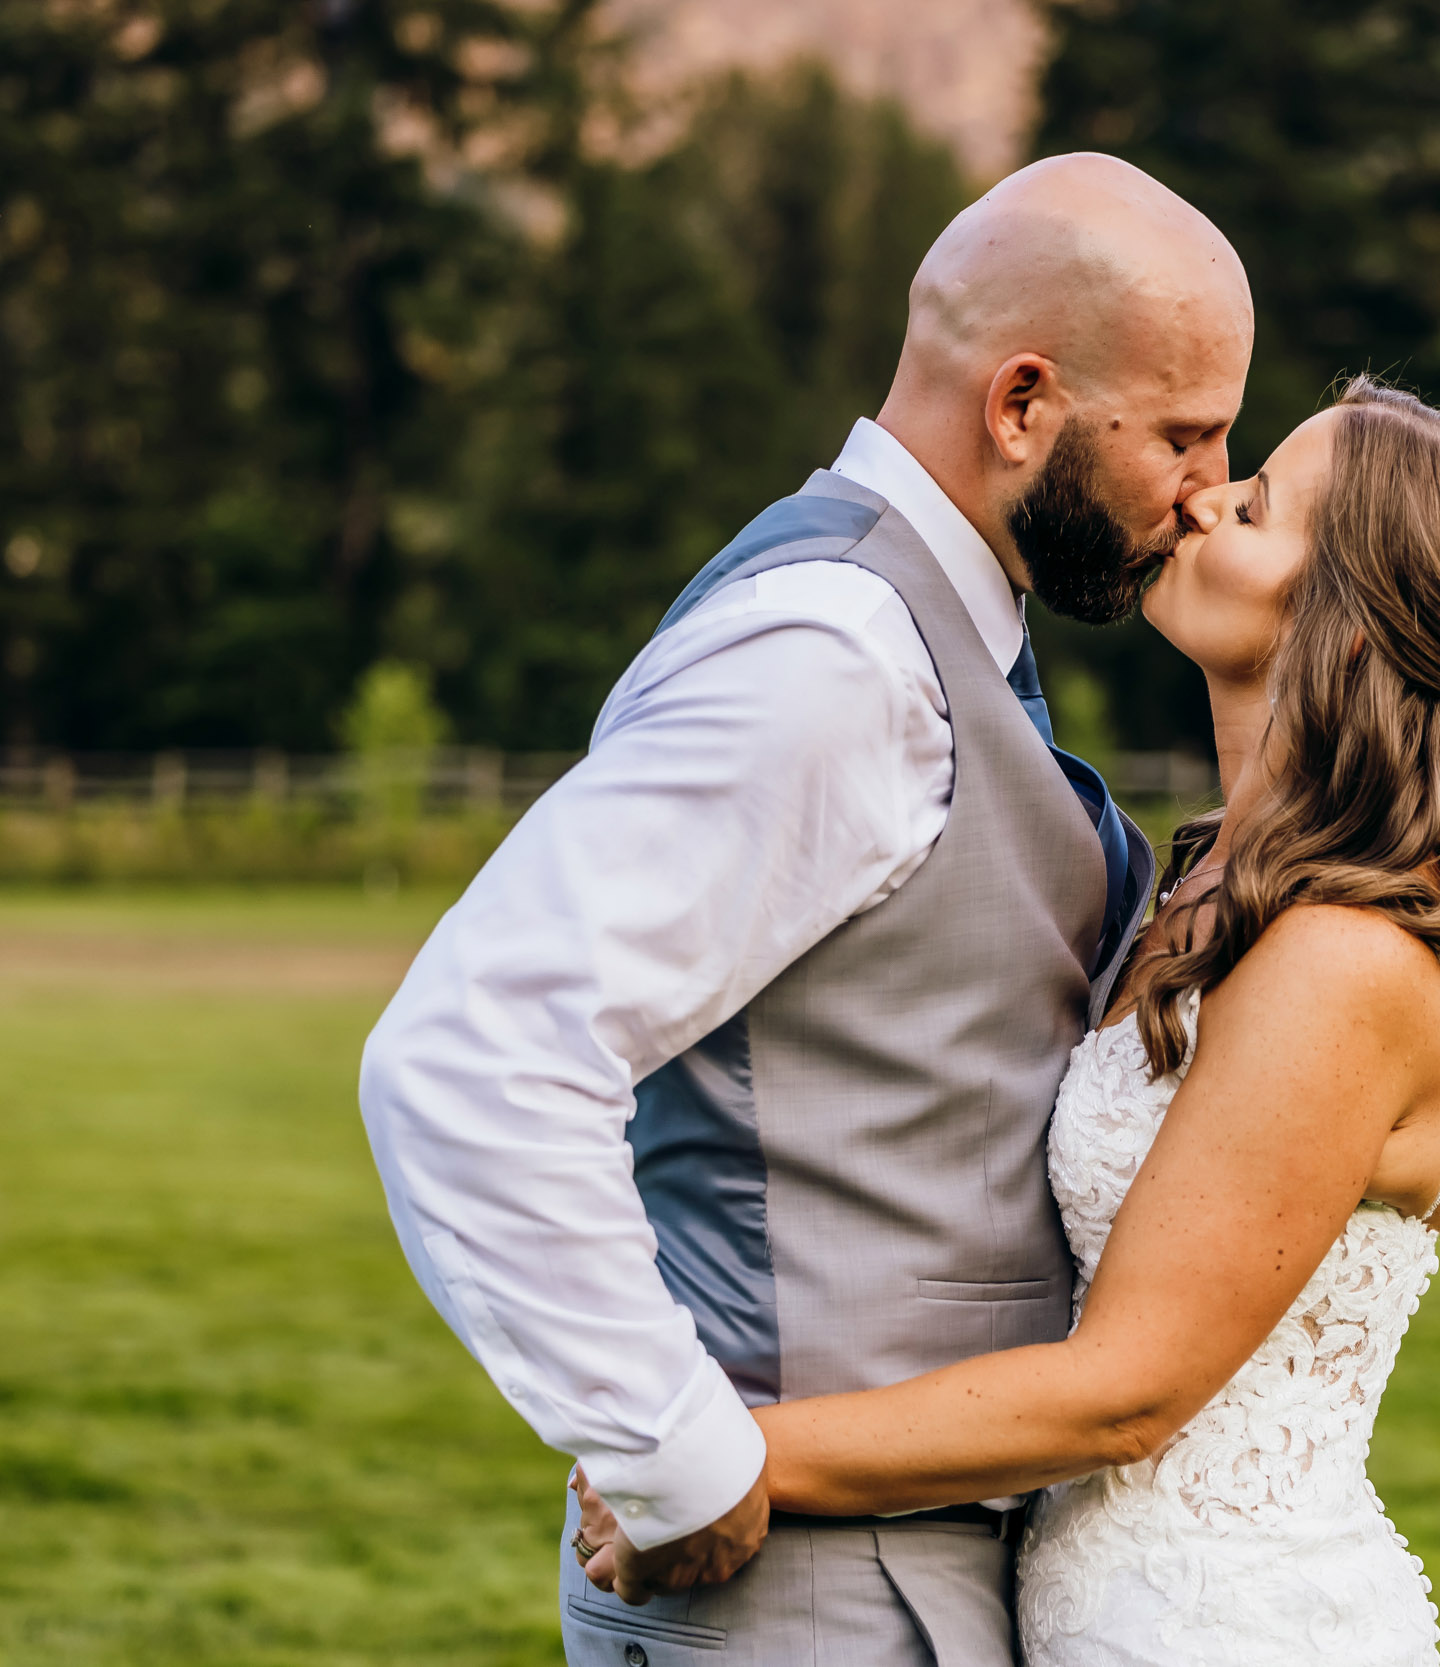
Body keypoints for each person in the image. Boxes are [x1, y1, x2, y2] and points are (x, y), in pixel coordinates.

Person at [359, 152, 1251, 1665]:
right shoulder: (835, 657)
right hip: (811, 1591)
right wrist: (675, 1454)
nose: (1209, 490)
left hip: (888, 1582)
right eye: (1183, 432)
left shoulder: (917, 627)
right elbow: (474, 1050)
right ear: (1022, 403)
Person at [579, 376, 1440, 1665]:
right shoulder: (1206, 883)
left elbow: (1129, 1391)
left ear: (1345, 632)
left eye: (1260, 501)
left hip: (1216, 1629)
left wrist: (719, 1462)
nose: (1206, 495)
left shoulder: (1345, 954)